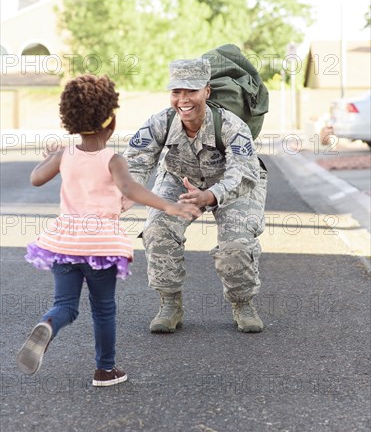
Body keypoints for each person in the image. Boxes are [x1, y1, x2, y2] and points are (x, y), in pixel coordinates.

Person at [17, 74, 200, 387]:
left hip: (65, 242)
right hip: (100, 244)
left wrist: (55, 154)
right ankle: (105, 370)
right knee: (103, 309)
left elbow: (35, 178)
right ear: (111, 122)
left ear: (70, 121)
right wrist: (168, 206)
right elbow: (130, 188)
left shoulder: (65, 155)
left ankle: (48, 324)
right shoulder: (113, 159)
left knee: (65, 306)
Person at [124, 57, 268, 334]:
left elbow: (244, 174)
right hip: (181, 179)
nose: (183, 99)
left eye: (191, 91)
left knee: (235, 246)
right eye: (176, 92)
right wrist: (127, 192)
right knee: (157, 229)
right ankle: (170, 304)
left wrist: (210, 196)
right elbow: (136, 161)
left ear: (207, 92)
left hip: (233, 184)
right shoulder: (160, 121)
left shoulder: (232, 126)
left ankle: (243, 304)